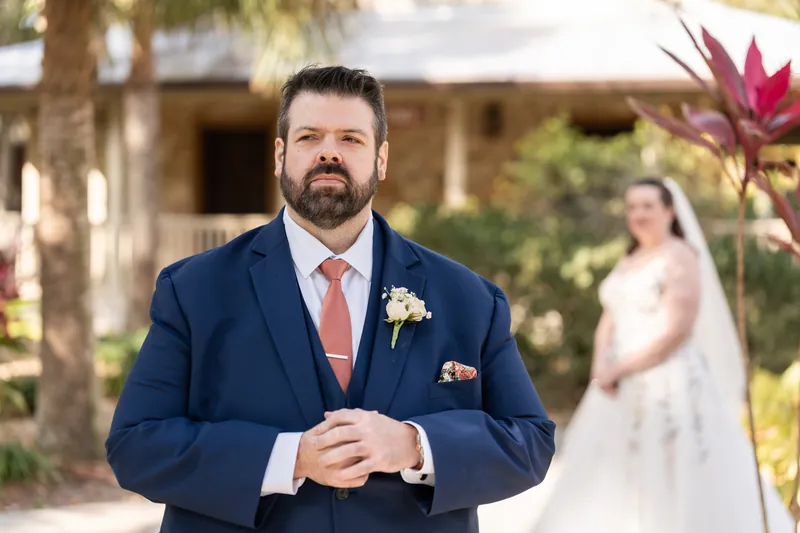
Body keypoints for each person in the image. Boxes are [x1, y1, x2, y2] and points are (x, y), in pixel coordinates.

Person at [105, 65, 556, 533]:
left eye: (350, 139)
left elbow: (529, 441)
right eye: (309, 137)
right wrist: (291, 458)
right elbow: (136, 445)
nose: (329, 153)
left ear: (381, 159)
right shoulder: (194, 290)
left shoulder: (469, 299)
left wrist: (413, 445)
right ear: (280, 155)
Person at [529, 177, 794, 533]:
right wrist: (600, 368)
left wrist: (620, 368)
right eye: (632, 207)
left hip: (669, 383)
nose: (638, 214)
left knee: (671, 473)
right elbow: (610, 318)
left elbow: (677, 329)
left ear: (669, 211)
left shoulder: (680, 256)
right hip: (615, 384)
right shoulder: (630, 258)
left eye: (647, 206)